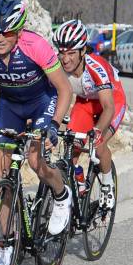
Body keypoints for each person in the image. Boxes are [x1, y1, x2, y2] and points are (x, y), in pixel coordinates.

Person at [0, 0, 73, 265]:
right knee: (1, 172)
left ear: (19, 31)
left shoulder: (36, 46)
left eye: (7, 31)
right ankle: (9, 242)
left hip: (41, 102)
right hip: (9, 104)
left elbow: (64, 89)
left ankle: (61, 196)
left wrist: (54, 124)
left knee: (36, 162)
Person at [53, 19, 127, 208]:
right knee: (72, 148)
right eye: (62, 53)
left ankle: (107, 184)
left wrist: (97, 131)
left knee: (97, 143)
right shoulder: (58, 67)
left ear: (83, 51)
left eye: (71, 53)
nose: (65, 59)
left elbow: (109, 107)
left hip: (112, 101)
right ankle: (78, 182)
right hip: (85, 102)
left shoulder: (95, 68)